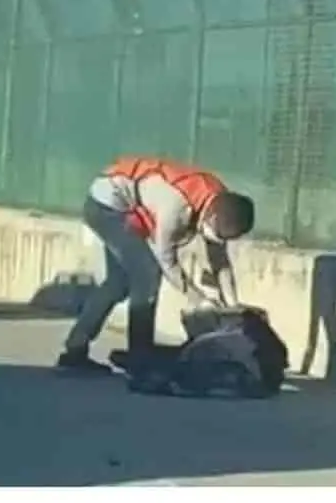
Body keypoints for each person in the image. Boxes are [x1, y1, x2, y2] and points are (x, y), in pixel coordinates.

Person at [55, 155, 256, 376]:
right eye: (215, 234)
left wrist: (232, 308)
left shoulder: (222, 202)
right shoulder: (177, 207)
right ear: (211, 218)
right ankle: (140, 356)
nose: (215, 241)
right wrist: (198, 299)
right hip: (106, 207)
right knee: (147, 274)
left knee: (118, 283)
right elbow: (166, 259)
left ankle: (75, 348)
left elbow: (220, 262)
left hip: (124, 204)